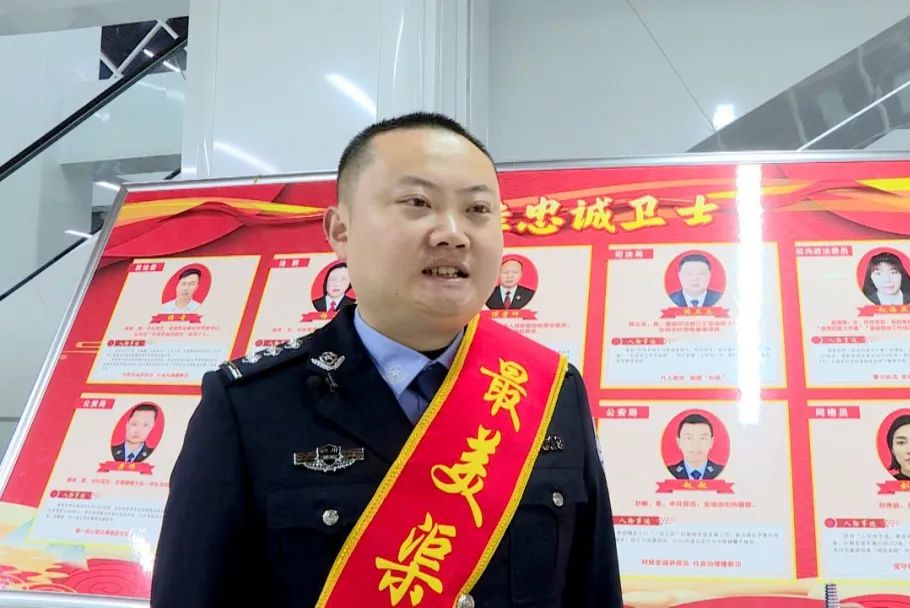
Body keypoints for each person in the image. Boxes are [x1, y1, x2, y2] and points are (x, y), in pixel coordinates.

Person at [153, 113, 621, 608]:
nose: (453, 233)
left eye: (478, 209)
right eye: (418, 203)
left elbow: (593, 588)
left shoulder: (550, 390)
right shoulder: (249, 407)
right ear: (341, 230)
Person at [666, 413, 723, 480]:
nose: (695, 445)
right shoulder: (669, 471)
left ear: (711, 442)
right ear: (679, 442)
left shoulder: (720, 471)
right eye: (689, 438)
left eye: (702, 438)